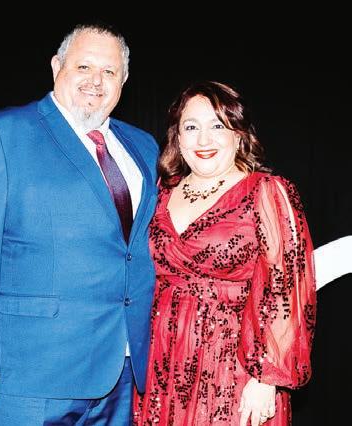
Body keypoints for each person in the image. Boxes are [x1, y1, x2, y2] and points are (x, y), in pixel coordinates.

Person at [0, 23, 159, 425]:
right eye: (84, 66)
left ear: (124, 81)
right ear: (57, 66)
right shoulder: (1, 134)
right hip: (31, 374)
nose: (96, 81)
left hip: (124, 372)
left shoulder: (142, 146)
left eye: (109, 71)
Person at [133, 81, 316, 426]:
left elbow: (287, 288)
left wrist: (266, 378)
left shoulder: (267, 191)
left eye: (217, 126)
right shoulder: (160, 192)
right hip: (163, 360)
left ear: (238, 134)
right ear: (177, 138)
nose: (204, 140)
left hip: (234, 366)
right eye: (191, 127)